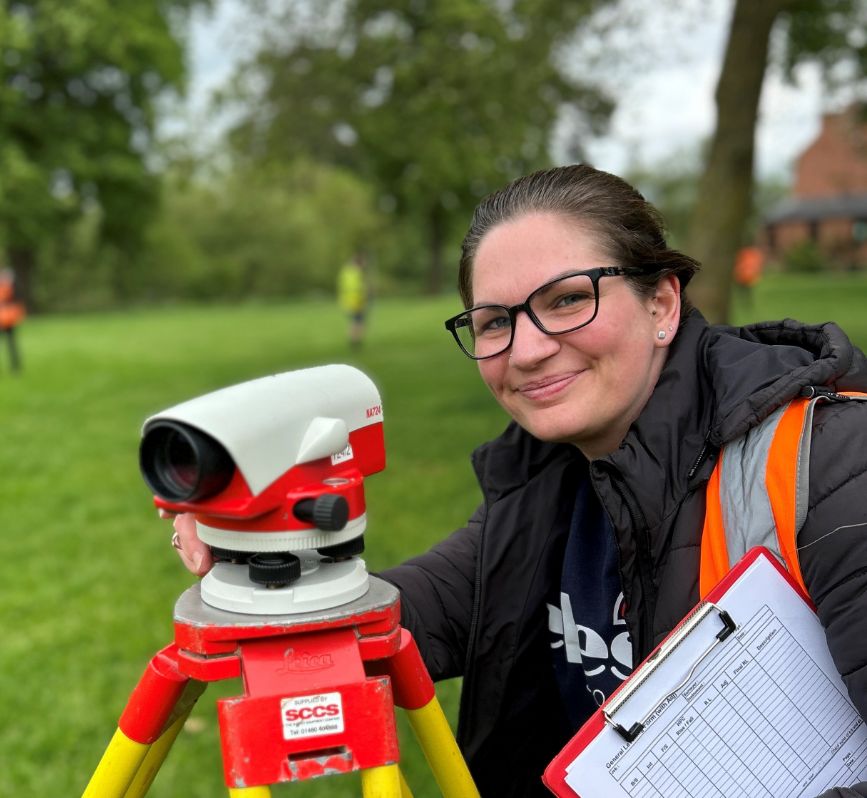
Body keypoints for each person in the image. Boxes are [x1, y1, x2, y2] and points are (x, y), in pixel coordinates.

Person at [171, 164, 867, 797]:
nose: (527, 350)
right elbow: (407, 619)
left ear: (661, 304)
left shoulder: (831, 465)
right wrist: (258, 554)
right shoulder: (549, 474)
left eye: (567, 299)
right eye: (494, 321)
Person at [337, 252, 368, 349]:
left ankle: (353, 340)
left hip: (347, 301)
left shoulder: (345, 272)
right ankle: (356, 341)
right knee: (358, 322)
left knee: (354, 322)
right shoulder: (356, 273)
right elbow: (358, 288)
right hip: (356, 301)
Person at [0, 267, 25, 373]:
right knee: (11, 343)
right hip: (7, 316)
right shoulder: (10, 282)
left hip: (7, 317)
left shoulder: (9, 284)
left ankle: (16, 367)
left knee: (11, 343)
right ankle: (16, 367)